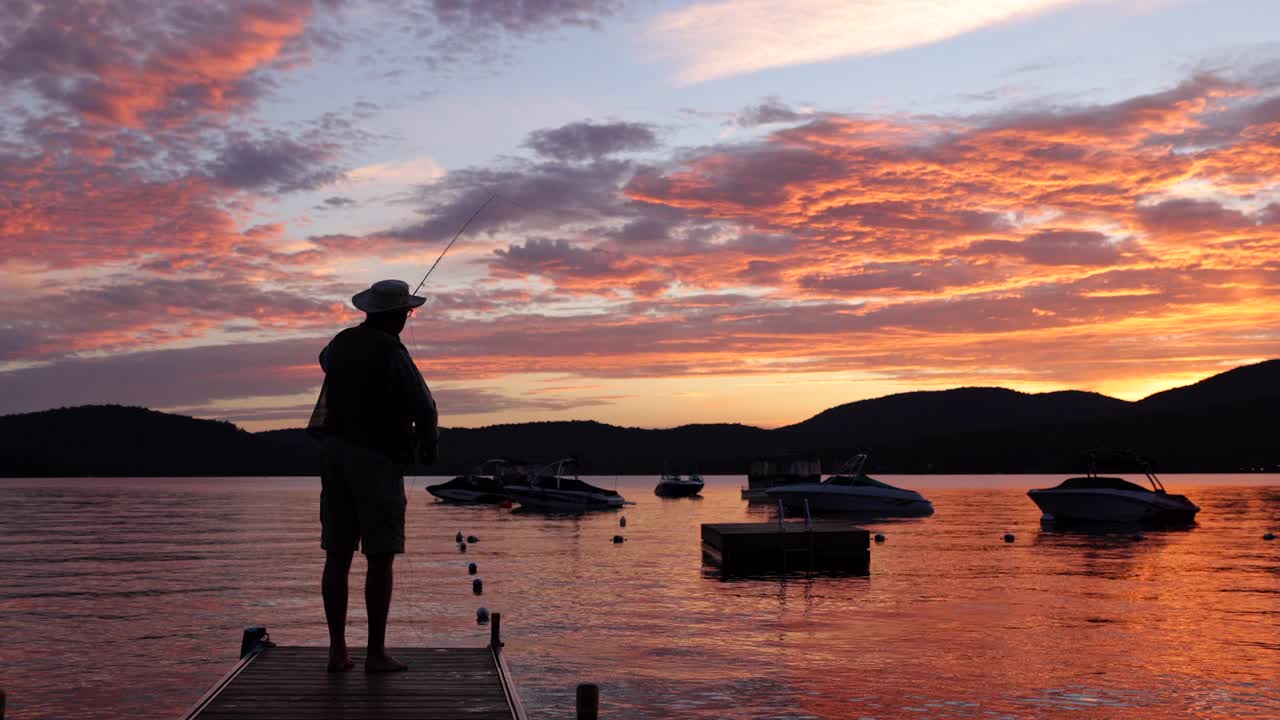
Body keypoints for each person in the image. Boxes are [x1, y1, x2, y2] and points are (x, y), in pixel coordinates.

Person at [308, 279, 438, 673]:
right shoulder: (392, 350)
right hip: (375, 456)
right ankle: (376, 654)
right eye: (406, 311)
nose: (407, 317)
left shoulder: (340, 344)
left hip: (332, 453)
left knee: (337, 553)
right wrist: (428, 445)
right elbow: (423, 403)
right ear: (396, 314)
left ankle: (337, 652)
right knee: (380, 555)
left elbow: (325, 360)